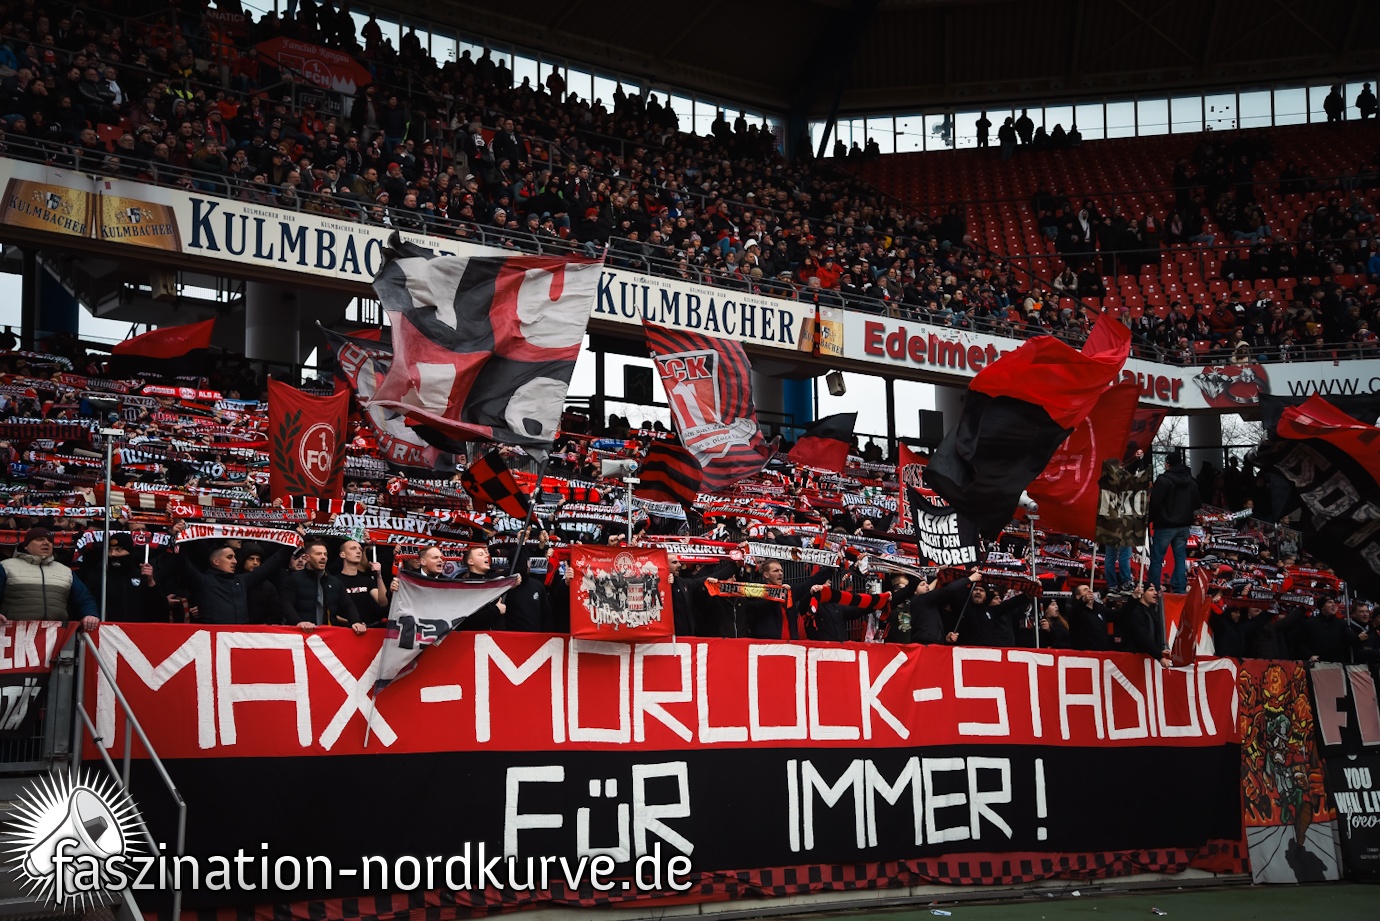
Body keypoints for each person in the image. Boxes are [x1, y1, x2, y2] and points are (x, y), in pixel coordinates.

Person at [172, 530, 291, 625]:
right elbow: (182, 561)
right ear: (216, 561)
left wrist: (290, 543)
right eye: (229, 557)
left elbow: (270, 565)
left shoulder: (242, 581)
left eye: (234, 557)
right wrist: (177, 537)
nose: (234, 561)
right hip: (213, 639)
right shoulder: (203, 581)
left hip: (239, 640)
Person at [0, 528, 100, 627]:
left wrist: (90, 614)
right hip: (14, 634)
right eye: (39, 539)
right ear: (26, 546)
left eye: (50, 541)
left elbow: (85, 598)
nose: (46, 543)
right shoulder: (6, 567)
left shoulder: (66, 571)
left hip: (56, 636)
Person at [280, 540, 366, 633]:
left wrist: (356, 621)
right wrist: (298, 622)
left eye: (325, 554)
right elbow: (286, 604)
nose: (323, 557)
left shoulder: (335, 582)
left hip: (327, 637)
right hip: (300, 635)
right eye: (318, 554)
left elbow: (348, 605)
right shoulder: (293, 580)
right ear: (307, 558)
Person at [77, 532, 165, 623]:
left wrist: (151, 583)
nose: (113, 554)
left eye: (118, 550)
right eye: (110, 550)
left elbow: (160, 610)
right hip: (107, 631)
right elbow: (88, 602)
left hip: (138, 631)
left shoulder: (143, 576)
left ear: (130, 551)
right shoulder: (99, 577)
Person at [1148, 450, 1200, 593]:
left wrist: (1150, 519)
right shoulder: (1191, 481)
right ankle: (1179, 588)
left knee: (1157, 558)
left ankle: (1153, 588)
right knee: (1180, 558)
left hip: (1165, 525)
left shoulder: (1163, 480)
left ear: (1168, 464)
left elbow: (1155, 502)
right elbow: (1197, 504)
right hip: (1183, 526)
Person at [337, 539, 389, 627]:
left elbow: (383, 602)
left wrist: (379, 576)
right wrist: (353, 623)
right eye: (353, 548)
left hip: (366, 630)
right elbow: (331, 612)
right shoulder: (335, 581)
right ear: (343, 554)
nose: (358, 551)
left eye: (360, 549)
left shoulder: (367, 581)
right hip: (343, 631)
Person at [1116, 585, 1172, 666]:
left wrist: (1159, 650)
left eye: (1155, 590)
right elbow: (1143, 636)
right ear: (1142, 593)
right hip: (1132, 660)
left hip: (1145, 659)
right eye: (1151, 590)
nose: (1155, 593)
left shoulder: (1152, 612)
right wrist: (1159, 657)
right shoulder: (1135, 612)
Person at [1065, 583, 1114, 651]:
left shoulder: (1100, 609)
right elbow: (1074, 613)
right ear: (1078, 596)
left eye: (1090, 589)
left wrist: (1133, 598)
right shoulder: (1076, 611)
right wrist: (1083, 600)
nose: (1089, 591)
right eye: (1085, 590)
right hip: (1083, 654)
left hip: (1102, 654)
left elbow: (1118, 615)